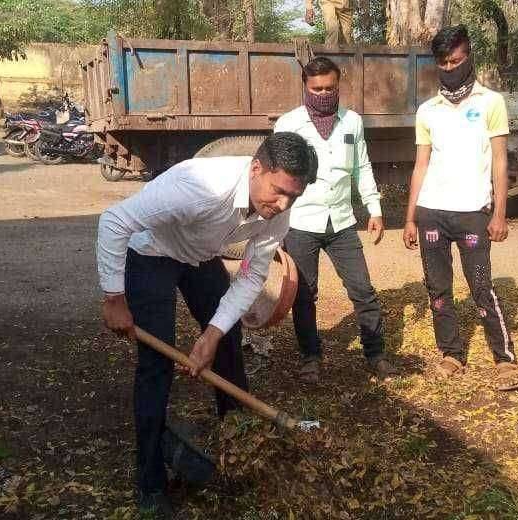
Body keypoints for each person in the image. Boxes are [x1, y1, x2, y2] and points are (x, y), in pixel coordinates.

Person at [97, 133, 317, 517]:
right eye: (279, 192)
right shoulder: (198, 188)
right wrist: (114, 298)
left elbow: (252, 274)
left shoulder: (278, 210)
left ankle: (240, 446)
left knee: (228, 341)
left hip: (199, 256)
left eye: (293, 197)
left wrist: (212, 334)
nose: (283, 205)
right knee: (157, 363)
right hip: (152, 253)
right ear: (256, 168)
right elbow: (114, 221)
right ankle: (150, 482)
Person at [402, 25, 518, 391]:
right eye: (443, 62)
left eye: (456, 61)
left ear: (469, 58)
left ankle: (505, 358)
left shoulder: (491, 102)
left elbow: (500, 161)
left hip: (473, 212)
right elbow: (420, 165)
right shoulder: (428, 111)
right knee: (438, 289)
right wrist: (410, 217)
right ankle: (452, 353)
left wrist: (499, 213)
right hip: (432, 212)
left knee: (481, 287)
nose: (450, 68)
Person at [273, 56, 392, 383]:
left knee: (362, 289)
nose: (324, 94)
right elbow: (277, 177)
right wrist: (275, 227)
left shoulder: (352, 122)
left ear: (338, 86)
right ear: (305, 87)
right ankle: (311, 356)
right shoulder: (288, 124)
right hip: (301, 223)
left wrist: (374, 209)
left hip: (341, 222)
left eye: (330, 88)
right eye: (317, 89)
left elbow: (362, 167)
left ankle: (376, 354)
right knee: (304, 294)